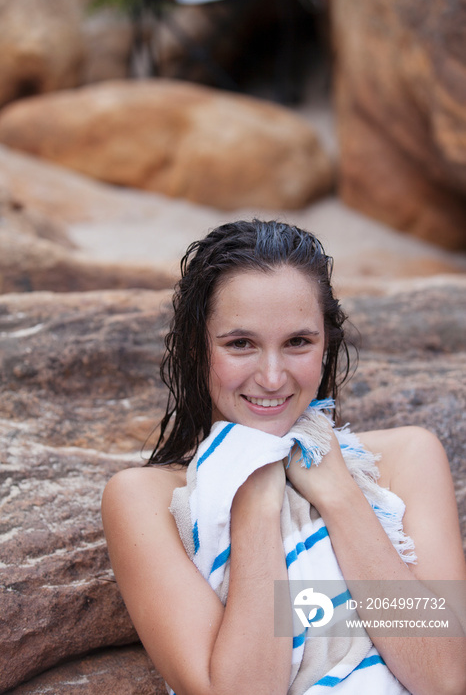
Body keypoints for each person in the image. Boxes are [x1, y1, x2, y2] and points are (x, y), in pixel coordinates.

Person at [102, 219, 466, 695]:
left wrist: (339, 494)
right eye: (240, 344)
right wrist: (253, 496)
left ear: (326, 344)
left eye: (298, 342)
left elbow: (445, 676)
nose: (272, 377)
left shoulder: (405, 458)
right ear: (197, 348)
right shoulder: (144, 500)